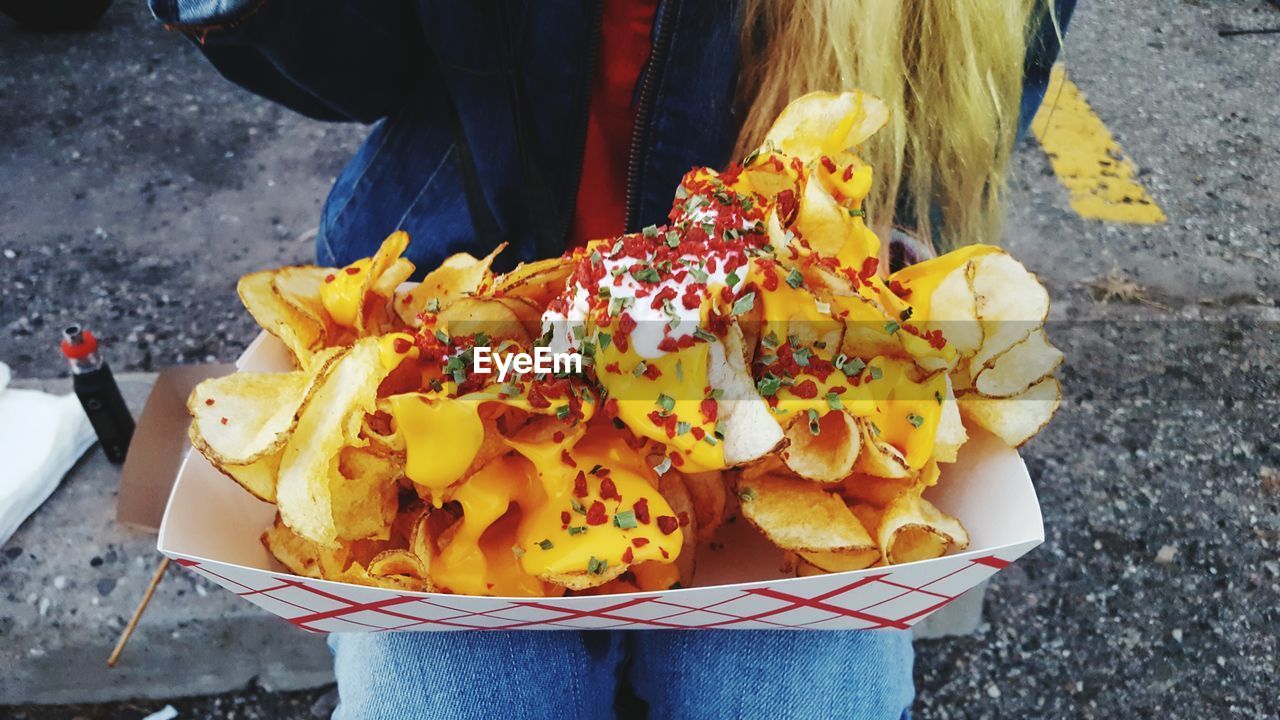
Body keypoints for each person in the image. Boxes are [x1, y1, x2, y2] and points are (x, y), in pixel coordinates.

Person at [150, 1, 1073, 717]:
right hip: (449, 331)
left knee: (794, 697)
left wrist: (869, 284)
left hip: (787, 378)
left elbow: (993, 77)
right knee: (444, 698)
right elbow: (355, 64)